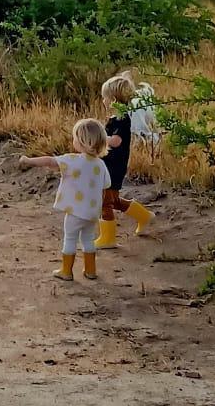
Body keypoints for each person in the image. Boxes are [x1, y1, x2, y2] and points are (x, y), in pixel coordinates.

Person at [19, 118, 112, 283]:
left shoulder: (73, 160)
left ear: (83, 141)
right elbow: (105, 187)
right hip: (92, 213)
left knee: (70, 238)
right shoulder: (101, 165)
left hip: (75, 212)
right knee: (88, 239)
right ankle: (90, 270)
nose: (73, 140)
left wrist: (28, 161)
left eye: (75, 138)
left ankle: (66, 271)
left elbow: (49, 161)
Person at [94, 71, 156, 249]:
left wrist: (100, 139)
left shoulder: (121, 120)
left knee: (105, 201)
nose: (103, 101)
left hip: (114, 167)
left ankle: (108, 237)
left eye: (105, 97)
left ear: (113, 99)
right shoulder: (116, 118)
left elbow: (117, 141)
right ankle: (143, 216)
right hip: (110, 165)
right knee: (112, 200)